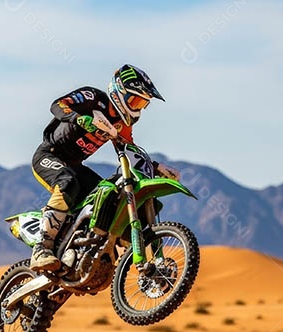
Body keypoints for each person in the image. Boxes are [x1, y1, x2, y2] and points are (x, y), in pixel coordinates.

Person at [30, 64, 180, 271]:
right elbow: (58, 105)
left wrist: (156, 167)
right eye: (135, 100)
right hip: (49, 155)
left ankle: (90, 248)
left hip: (76, 166)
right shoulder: (93, 97)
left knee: (108, 195)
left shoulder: (121, 124)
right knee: (68, 183)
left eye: (142, 104)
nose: (137, 107)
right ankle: (42, 247)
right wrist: (78, 117)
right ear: (119, 91)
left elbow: (128, 149)